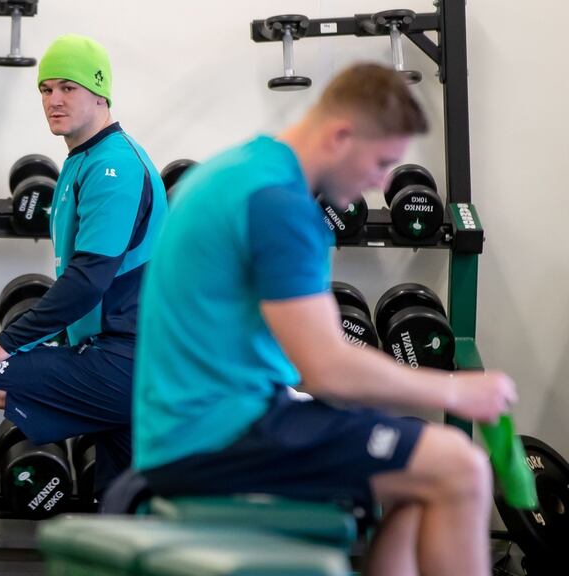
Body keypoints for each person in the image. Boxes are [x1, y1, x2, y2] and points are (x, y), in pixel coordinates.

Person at [133, 63, 516, 576]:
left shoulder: (242, 169)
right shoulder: (279, 205)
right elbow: (328, 370)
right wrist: (456, 392)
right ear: (341, 135)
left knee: (419, 476)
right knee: (461, 466)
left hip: (192, 426)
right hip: (215, 436)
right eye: (381, 162)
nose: (382, 182)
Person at [0, 34, 167, 576]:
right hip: (128, 356)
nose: (54, 100)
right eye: (45, 89)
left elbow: (89, 280)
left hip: (127, 359)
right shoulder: (82, 160)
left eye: (68, 87)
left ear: (100, 93)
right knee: (120, 527)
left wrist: (5, 342)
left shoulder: (114, 167)